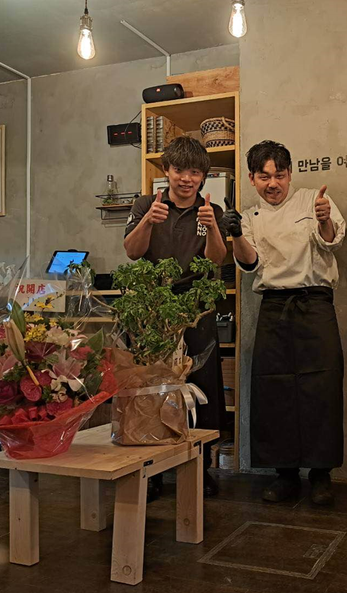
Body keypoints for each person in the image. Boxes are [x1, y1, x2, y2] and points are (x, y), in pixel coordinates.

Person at [221, 140, 345, 505]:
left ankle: (321, 475)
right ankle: (285, 474)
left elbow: (332, 241)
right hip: (274, 306)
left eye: (279, 175)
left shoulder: (314, 200)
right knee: (274, 390)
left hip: (315, 303)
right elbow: (250, 263)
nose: (272, 183)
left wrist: (324, 219)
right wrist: (236, 234)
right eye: (264, 177)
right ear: (252, 179)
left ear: (290, 174)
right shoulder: (250, 217)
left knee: (322, 387)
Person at [123, 135, 227, 498]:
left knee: (203, 383)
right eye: (179, 170)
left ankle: (201, 467)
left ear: (203, 176)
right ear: (166, 170)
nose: (186, 178)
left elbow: (217, 259)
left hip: (196, 306)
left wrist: (212, 226)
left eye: (195, 172)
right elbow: (132, 252)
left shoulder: (211, 209)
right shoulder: (145, 204)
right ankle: (150, 468)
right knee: (150, 385)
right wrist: (148, 222)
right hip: (154, 306)